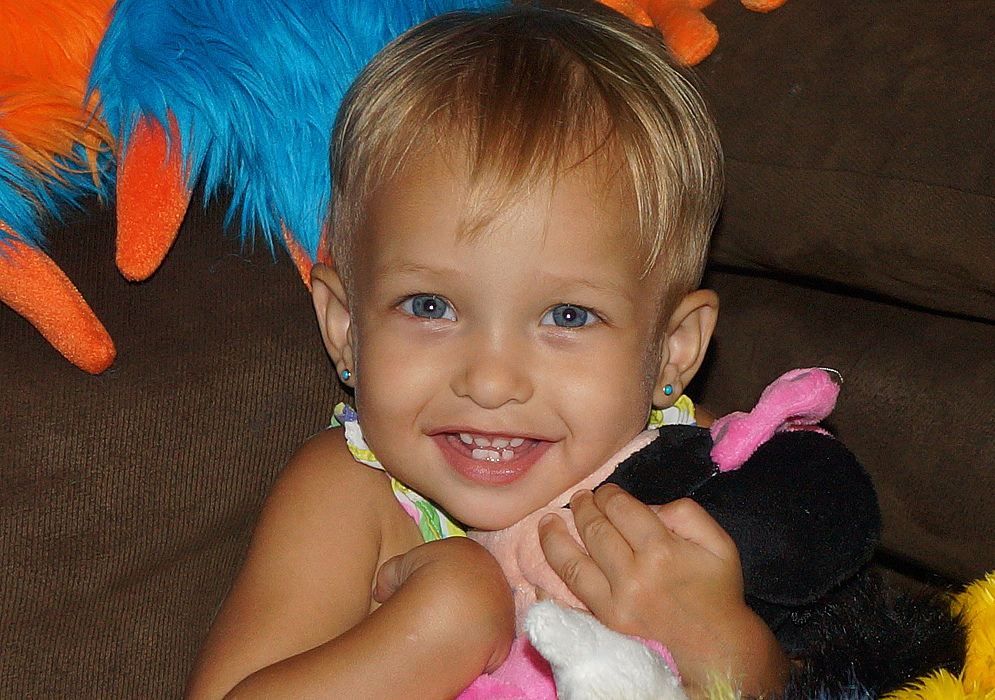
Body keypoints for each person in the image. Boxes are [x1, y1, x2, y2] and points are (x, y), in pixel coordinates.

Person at [184, 2, 790, 699]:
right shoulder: (354, 494)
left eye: (567, 315)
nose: (492, 380)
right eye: (430, 306)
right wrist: (438, 626)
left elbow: (848, 668)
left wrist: (727, 647)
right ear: (347, 328)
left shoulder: (697, 474)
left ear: (671, 352)